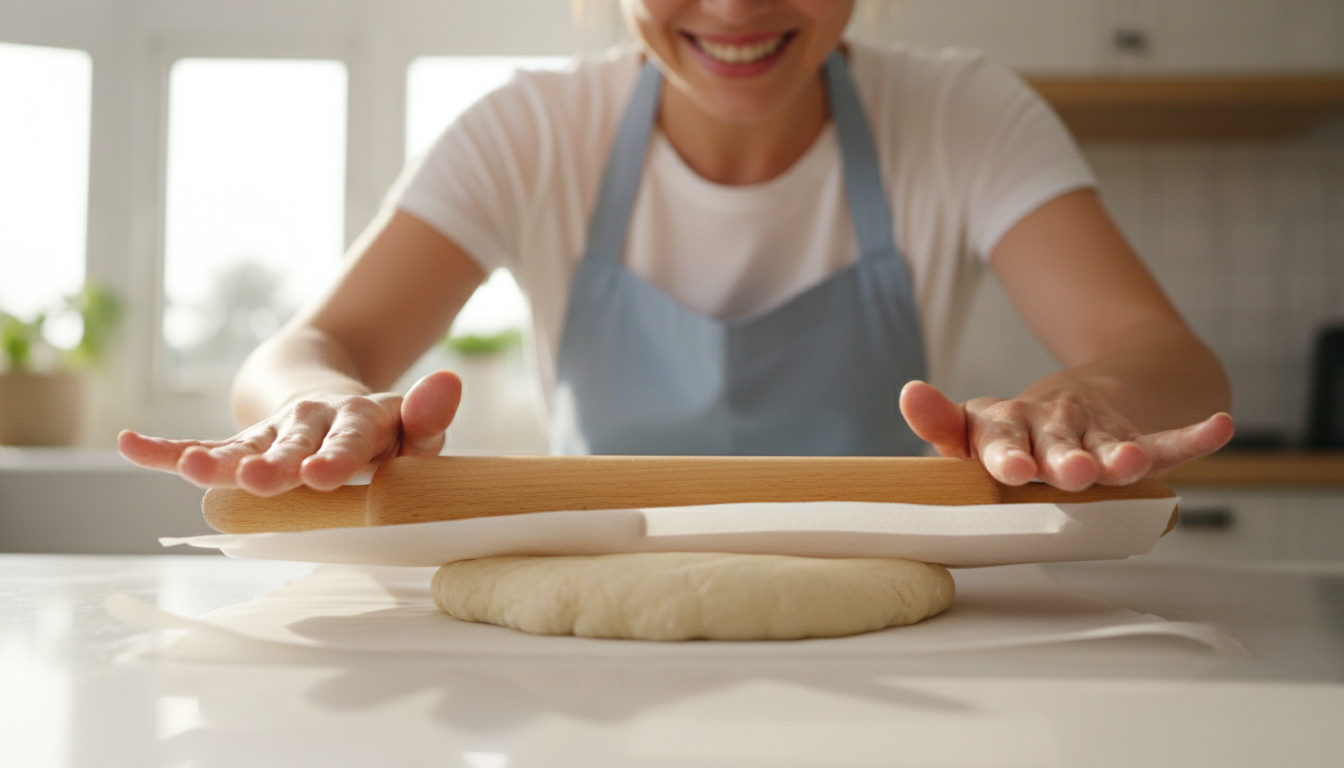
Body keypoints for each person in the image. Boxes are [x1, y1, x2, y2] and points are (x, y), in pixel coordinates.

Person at [119, 0, 1234, 497]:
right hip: (594, 653)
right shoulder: (531, 131)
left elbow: (1166, 356)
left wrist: (1078, 395)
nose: (738, 5)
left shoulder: (961, 115)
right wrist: (322, 401)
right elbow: (311, 344)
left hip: (899, 637)